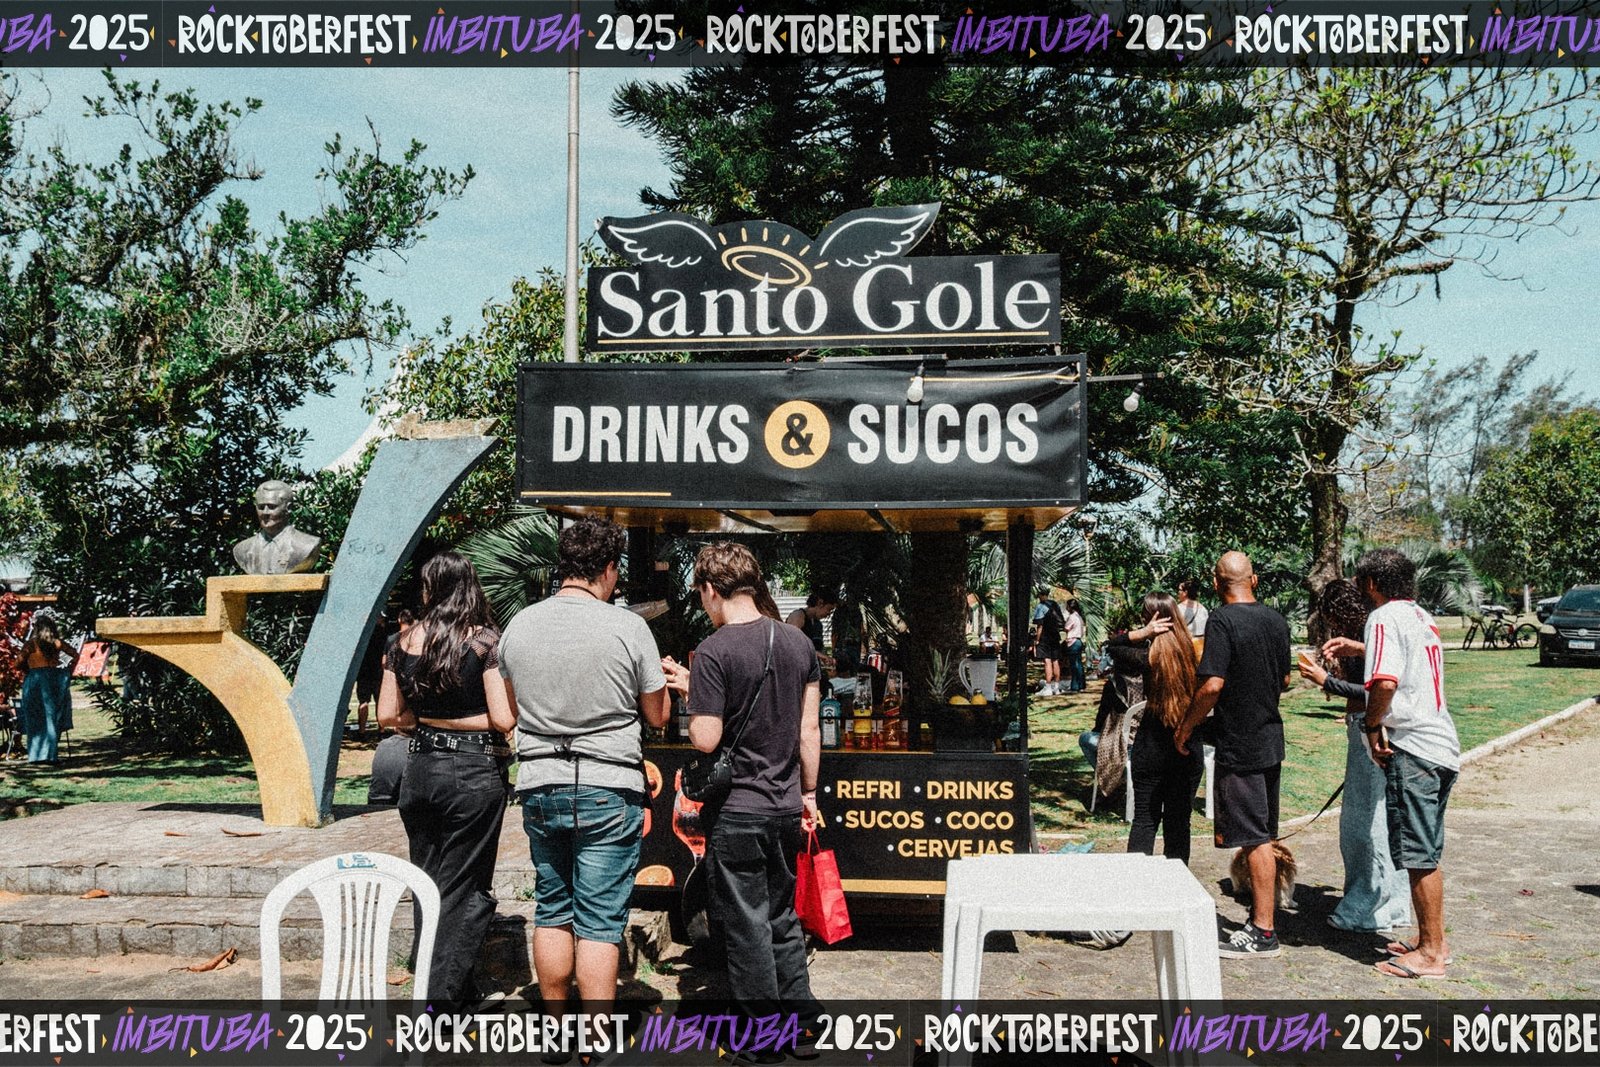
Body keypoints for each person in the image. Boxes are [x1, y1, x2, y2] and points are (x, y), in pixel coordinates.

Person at [498, 517, 669, 1009]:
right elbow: (657, 715)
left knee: (552, 909)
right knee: (600, 922)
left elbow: (510, 710)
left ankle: (555, 1026)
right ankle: (594, 1034)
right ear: (609, 568)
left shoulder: (519, 625)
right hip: (608, 785)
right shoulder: (628, 627)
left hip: (540, 782)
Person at [665, 542, 820, 1021]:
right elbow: (809, 730)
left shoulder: (714, 650)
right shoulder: (798, 643)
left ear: (712, 589)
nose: (702, 604)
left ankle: (763, 1034)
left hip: (737, 810)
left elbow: (707, 737)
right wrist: (809, 792)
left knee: (746, 926)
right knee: (782, 916)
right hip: (786, 803)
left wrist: (694, 692)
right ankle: (803, 1023)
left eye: (701, 594)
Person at [378, 551, 514, 1004]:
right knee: (464, 887)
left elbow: (387, 714)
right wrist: (461, 722)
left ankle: (448, 986)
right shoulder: (485, 642)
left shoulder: (400, 642)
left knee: (428, 881)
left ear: (429, 590)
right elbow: (504, 718)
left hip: (419, 770)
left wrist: (430, 721)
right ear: (469, 587)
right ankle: (440, 1002)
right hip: (473, 772)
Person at [1334, 548, 1460, 980]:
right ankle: (1432, 940)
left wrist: (1372, 725)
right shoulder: (1420, 616)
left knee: (1418, 854)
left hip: (1415, 748)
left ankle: (1431, 954)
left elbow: (1385, 682)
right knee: (1427, 850)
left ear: (1371, 584)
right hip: (1441, 745)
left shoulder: (1383, 617)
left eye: (1360, 581)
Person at [1176, 551, 1291, 959]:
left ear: (1215, 583)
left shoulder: (1222, 621)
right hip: (1270, 738)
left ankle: (1263, 930)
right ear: (1254, 580)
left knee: (1254, 838)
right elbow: (1285, 678)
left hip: (1239, 744)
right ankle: (1265, 914)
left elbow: (1211, 686)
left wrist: (1186, 726)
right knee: (1263, 833)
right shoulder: (1276, 620)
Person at [1297, 579, 1411, 934]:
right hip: (1369, 727)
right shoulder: (1370, 635)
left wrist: (1324, 680)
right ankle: (1393, 905)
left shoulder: (1371, 629)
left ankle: (1366, 907)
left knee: (1363, 824)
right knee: (1382, 819)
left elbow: (1375, 690)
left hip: (1370, 728)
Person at [1112, 593, 1204, 863]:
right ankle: (1177, 882)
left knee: (1145, 820)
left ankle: (1138, 882)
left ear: (1148, 618)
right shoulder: (1195, 653)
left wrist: (1143, 633)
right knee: (1179, 822)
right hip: (1186, 746)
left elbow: (1112, 646)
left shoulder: (1146, 657)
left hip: (1150, 747)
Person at [18, 617, 78, 764]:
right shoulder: (57, 643)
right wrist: (68, 670)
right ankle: (51, 754)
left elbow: (18, 662)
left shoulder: (31, 644)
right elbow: (75, 655)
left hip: (35, 680)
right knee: (52, 718)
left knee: (34, 717)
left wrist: (28, 669)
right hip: (54, 680)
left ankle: (36, 755)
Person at [232, 479, 322, 575]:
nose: (265, 512)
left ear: (288, 508)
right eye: (261, 507)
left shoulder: (307, 545)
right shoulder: (242, 550)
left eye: (272, 507)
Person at [1031, 590, 1065, 696]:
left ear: (1041, 595)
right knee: (1056, 661)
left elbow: (1040, 625)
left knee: (1047, 661)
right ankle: (1057, 687)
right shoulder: (1055, 605)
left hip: (1045, 637)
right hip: (1055, 636)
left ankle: (1048, 687)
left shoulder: (1041, 606)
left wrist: (1037, 639)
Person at [1062, 598, 1087, 692]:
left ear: (1070, 607)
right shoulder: (1079, 617)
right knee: (1079, 664)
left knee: (1074, 665)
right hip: (1079, 641)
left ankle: (1075, 686)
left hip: (1073, 641)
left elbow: (1066, 628)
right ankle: (1081, 685)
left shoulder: (1072, 617)